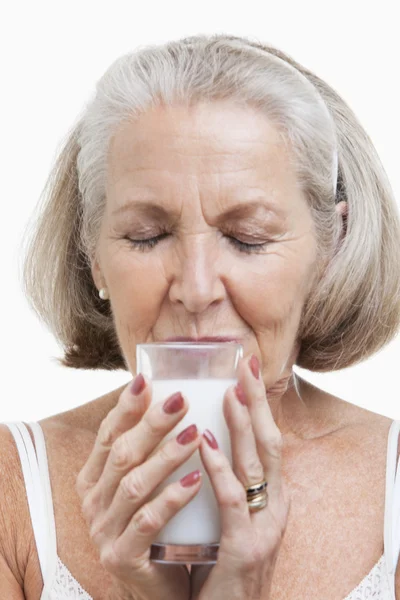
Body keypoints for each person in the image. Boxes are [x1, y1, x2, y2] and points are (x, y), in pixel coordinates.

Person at [1, 33, 400, 600]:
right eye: (148, 236)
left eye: (247, 238)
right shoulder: (11, 490)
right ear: (95, 259)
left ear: (330, 247)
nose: (194, 288)